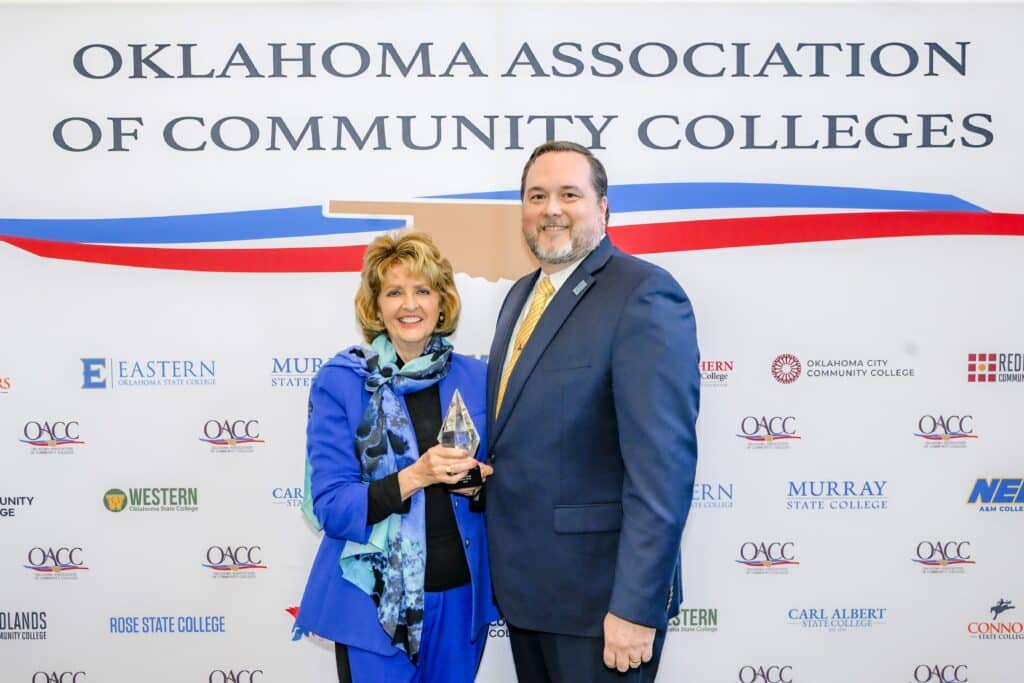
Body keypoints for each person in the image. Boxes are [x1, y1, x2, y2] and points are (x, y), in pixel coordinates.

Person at [485, 141, 700, 682]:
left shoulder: (644, 294)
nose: (551, 209)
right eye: (537, 196)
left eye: (569, 194)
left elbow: (662, 470)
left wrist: (634, 607)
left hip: (601, 608)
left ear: (603, 207)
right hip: (529, 598)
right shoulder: (519, 297)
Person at [295, 229, 498, 683]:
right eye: (394, 292)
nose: (410, 304)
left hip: (460, 601)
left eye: (422, 290)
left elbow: (506, 482)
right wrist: (417, 474)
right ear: (375, 306)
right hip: (372, 605)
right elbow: (331, 506)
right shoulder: (342, 381)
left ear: (442, 302)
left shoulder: (478, 377)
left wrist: (482, 481)